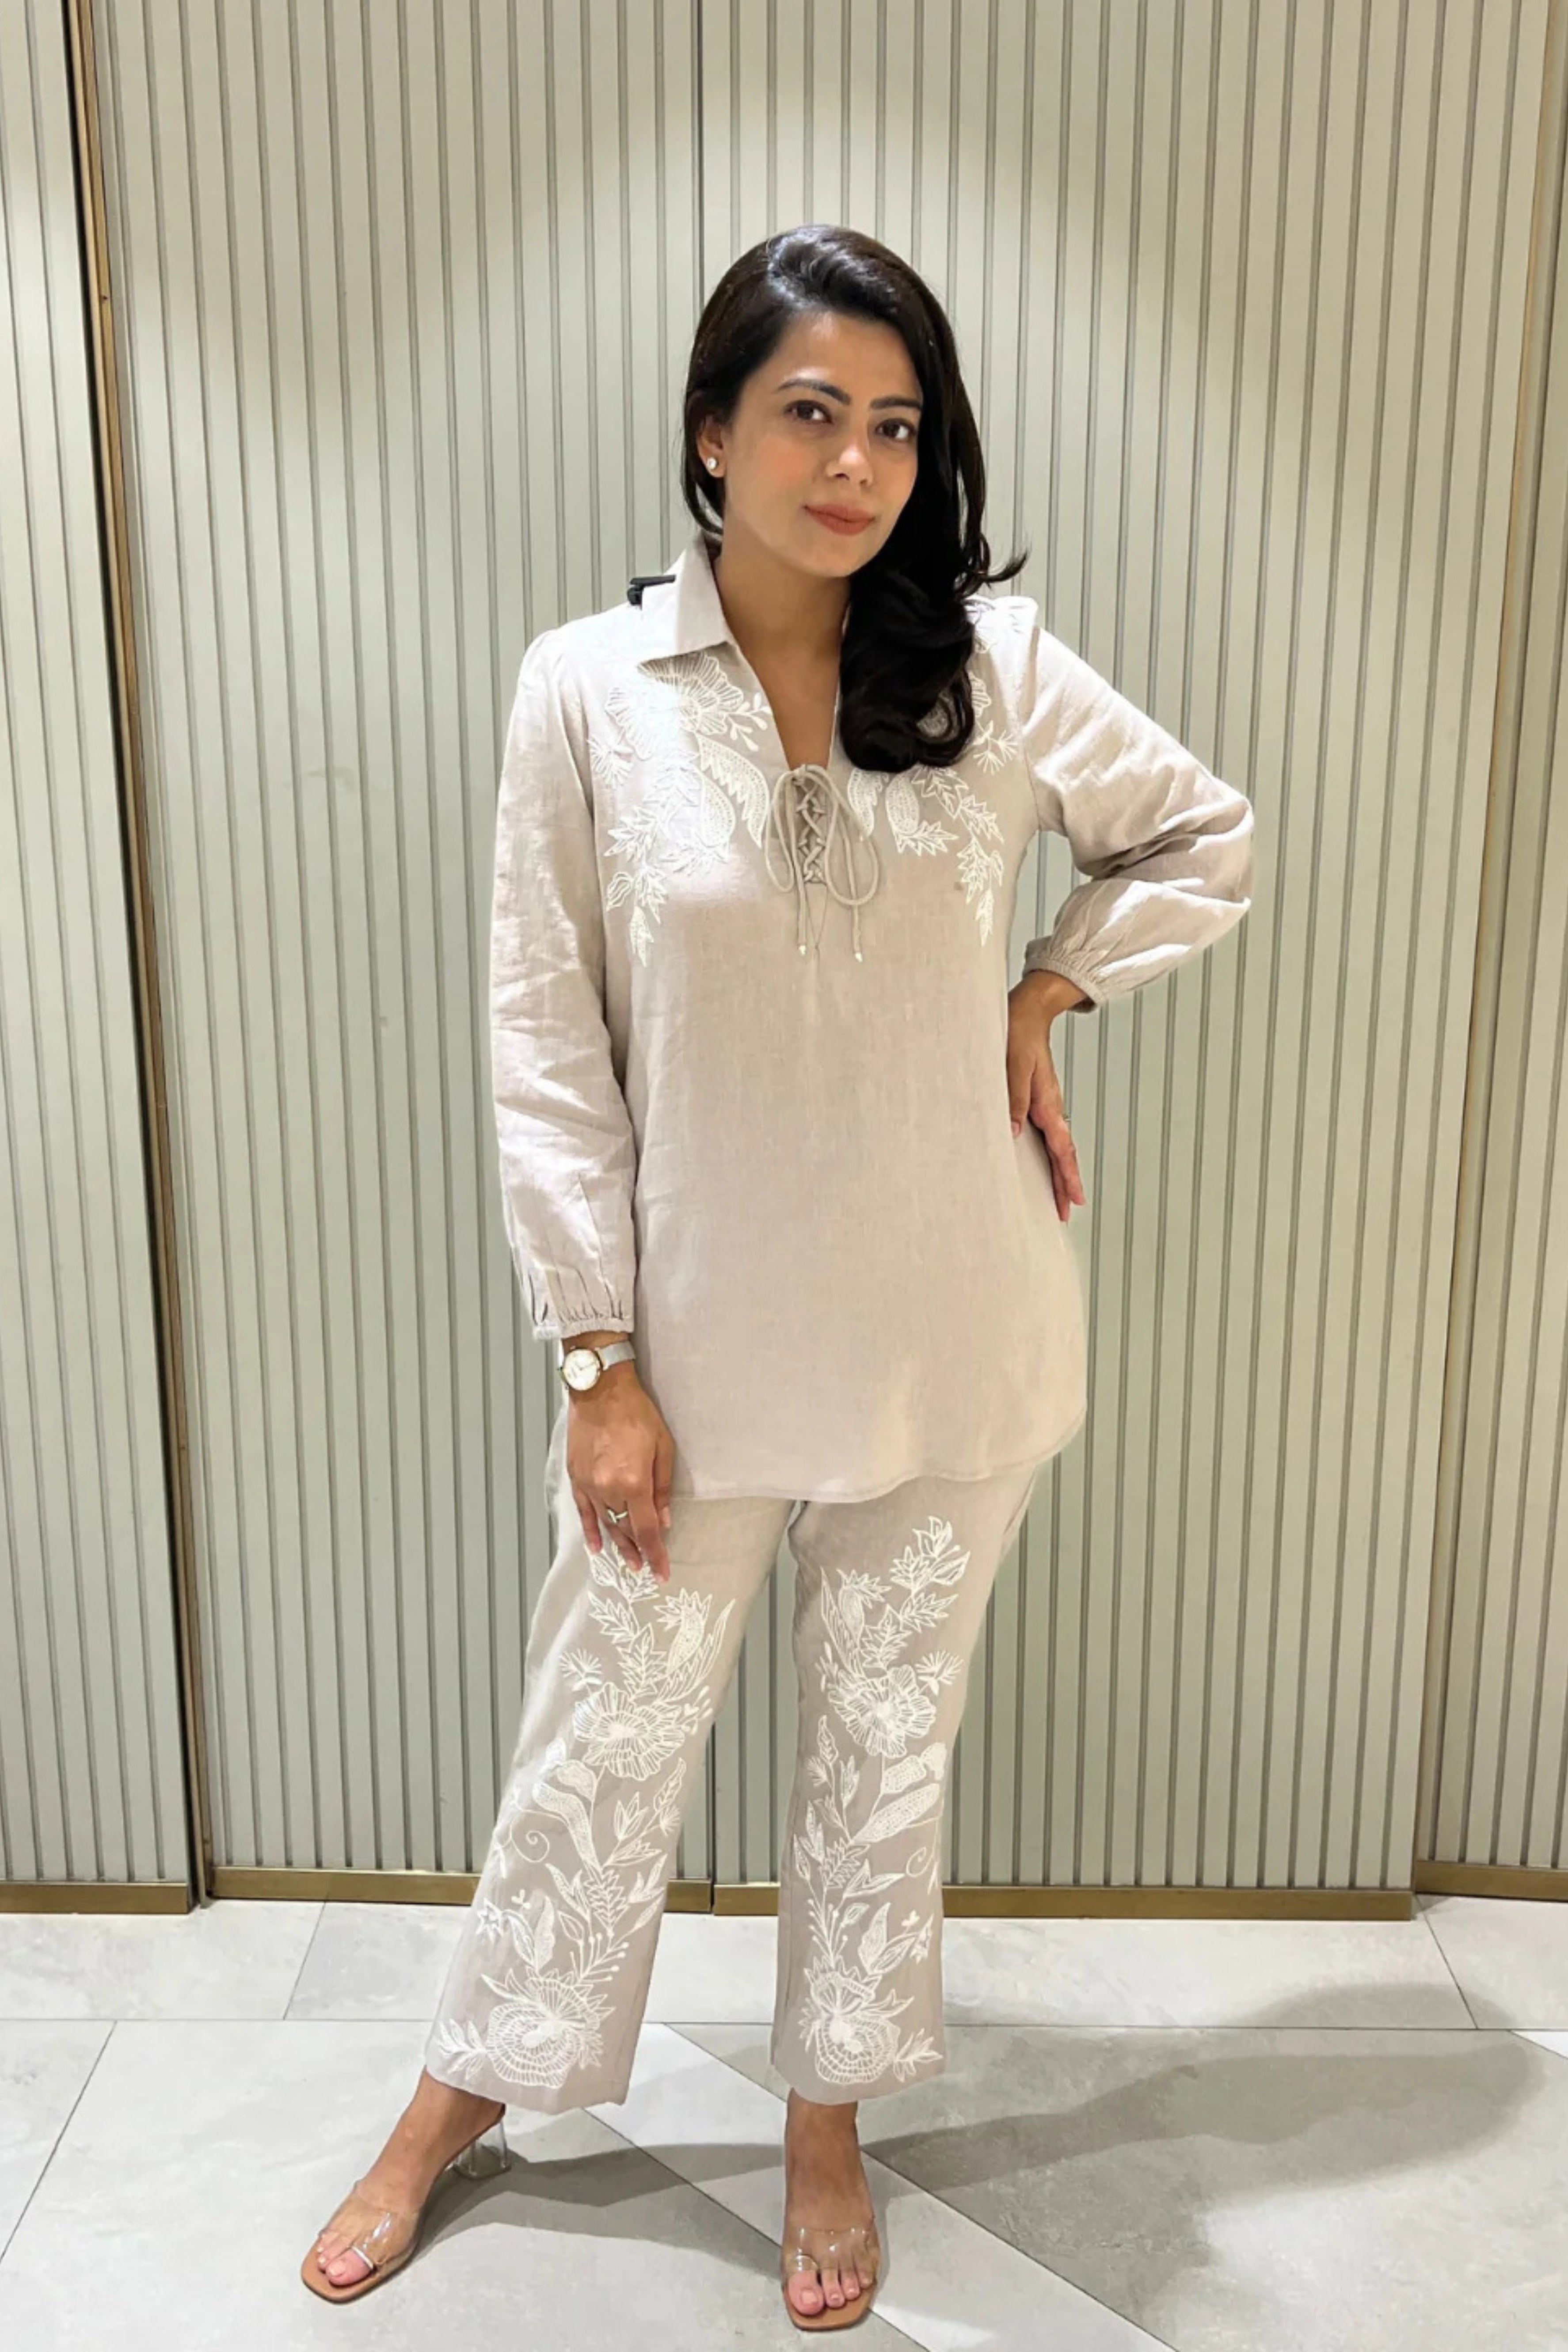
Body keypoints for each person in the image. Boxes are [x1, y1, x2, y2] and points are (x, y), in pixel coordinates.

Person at [302, 221, 1254, 2328]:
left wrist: (1050, 980)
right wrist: (594, 1355)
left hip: (954, 1325)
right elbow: (543, 1040)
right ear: (710, 434)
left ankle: (827, 2116)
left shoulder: (991, 669)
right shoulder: (587, 690)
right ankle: (458, 2092)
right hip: (696, 1347)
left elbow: (1200, 835)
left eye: (896, 425)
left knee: (882, 1748)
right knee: (600, 1736)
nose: (855, 465)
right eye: (810, 412)